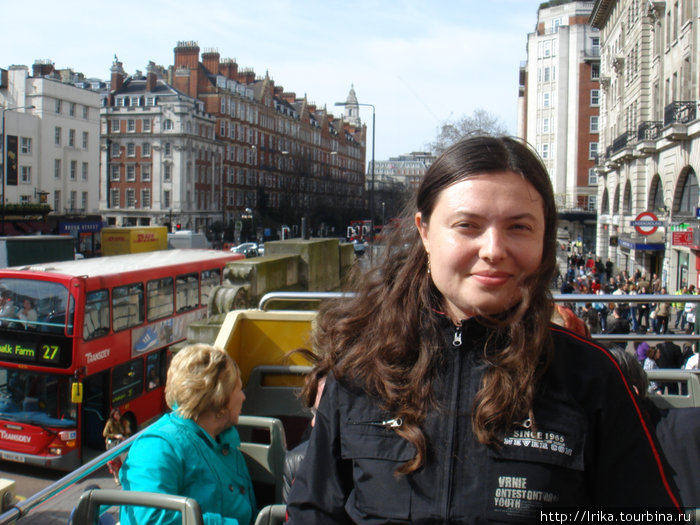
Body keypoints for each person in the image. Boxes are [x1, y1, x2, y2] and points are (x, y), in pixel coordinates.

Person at [286, 136, 681, 523]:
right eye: (467, 225)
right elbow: (315, 509)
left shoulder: (590, 376)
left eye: (519, 227)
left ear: (545, 238)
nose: (493, 249)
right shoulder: (361, 368)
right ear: (425, 231)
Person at [120, 344, 256, 525]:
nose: (243, 397)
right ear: (219, 400)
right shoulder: (158, 446)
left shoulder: (225, 443)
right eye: (238, 389)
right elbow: (151, 519)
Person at [102, 408, 131, 485]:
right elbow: (105, 434)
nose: (118, 416)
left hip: (121, 443)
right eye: (116, 415)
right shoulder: (110, 423)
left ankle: (125, 475)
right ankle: (116, 477)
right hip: (112, 444)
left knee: (125, 457)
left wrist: (125, 435)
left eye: (119, 414)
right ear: (113, 415)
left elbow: (127, 432)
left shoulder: (123, 422)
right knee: (114, 461)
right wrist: (115, 436)